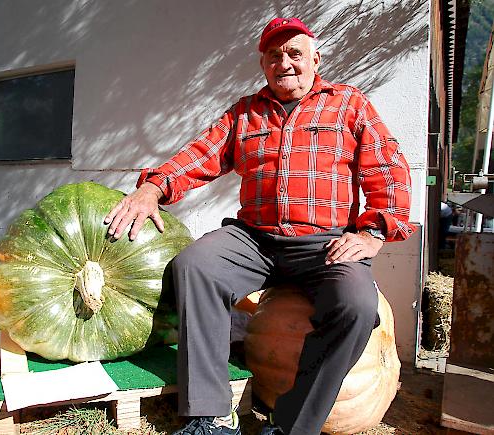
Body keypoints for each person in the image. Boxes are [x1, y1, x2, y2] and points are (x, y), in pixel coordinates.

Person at [105, 17, 414, 435]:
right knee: (195, 266)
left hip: (324, 243)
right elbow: (200, 155)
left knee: (356, 306)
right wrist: (153, 189)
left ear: (315, 59)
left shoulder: (348, 104)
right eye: (273, 55)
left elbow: (387, 167)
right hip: (254, 239)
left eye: (294, 53)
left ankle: (290, 426)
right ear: (264, 64)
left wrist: (373, 232)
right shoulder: (245, 112)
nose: (283, 62)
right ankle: (208, 416)